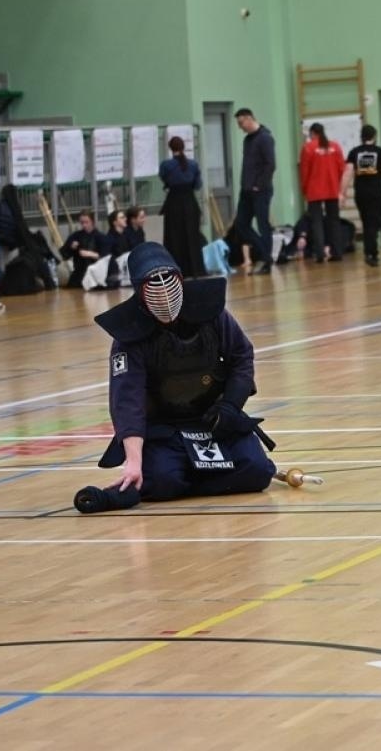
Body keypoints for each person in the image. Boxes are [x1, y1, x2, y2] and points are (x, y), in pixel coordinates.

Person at [74, 243, 276, 512]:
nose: (164, 294)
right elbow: (127, 401)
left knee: (258, 471)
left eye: (168, 282)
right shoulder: (128, 336)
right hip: (165, 431)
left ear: (179, 279)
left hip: (214, 421)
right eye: (153, 287)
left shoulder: (211, 312)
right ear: (139, 290)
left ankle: (187, 480)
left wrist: (231, 405)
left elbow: (242, 355)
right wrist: (133, 462)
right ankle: (181, 477)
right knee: (162, 481)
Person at [343, 124, 381, 267]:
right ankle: (372, 253)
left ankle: (370, 252)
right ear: (374, 137)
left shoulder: (354, 152)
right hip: (377, 194)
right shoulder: (380, 152)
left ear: (361, 137)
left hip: (361, 194)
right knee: (374, 224)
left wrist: (342, 192)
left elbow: (347, 174)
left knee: (367, 222)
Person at [233, 109, 276, 274]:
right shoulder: (247, 140)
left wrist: (259, 184)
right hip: (246, 190)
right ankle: (266, 254)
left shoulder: (265, 138)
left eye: (241, 123)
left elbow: (270, 164)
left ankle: (266, 260)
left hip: (260, 190)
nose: (240, 127)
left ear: (250, 119)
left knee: (263, 224)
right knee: (241, 224)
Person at [158, 137, 205, 276]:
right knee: (192, 237)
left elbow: (164, 179)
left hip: (174, 203)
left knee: (174, 238)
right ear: (184, 147)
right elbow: (198, 185)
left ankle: (176, 270)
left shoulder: (166, 165)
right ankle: (196, 270)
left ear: (170, 148)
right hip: (190, 203)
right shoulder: (193, 165)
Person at [299, 123, 346, 262]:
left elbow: (304, 171)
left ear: (313, 133)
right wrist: (339, 188)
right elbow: (341, 169)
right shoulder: (335, 146)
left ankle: (319, 254)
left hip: (314, 190)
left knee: (316, 222)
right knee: (334, 221)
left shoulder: (308, 147)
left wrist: (304, 189)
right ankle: (337, 252)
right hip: (332, 188)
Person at [61, 212, 105, 288]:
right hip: (79, 273)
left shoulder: (101, 237)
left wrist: (91, 254)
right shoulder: (75, 236)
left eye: (87, 222)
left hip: (96, 273)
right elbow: (64, 255)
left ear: (93, 222)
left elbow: (106, 257)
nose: (84, 225)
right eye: (82, 222)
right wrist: (71, 247)